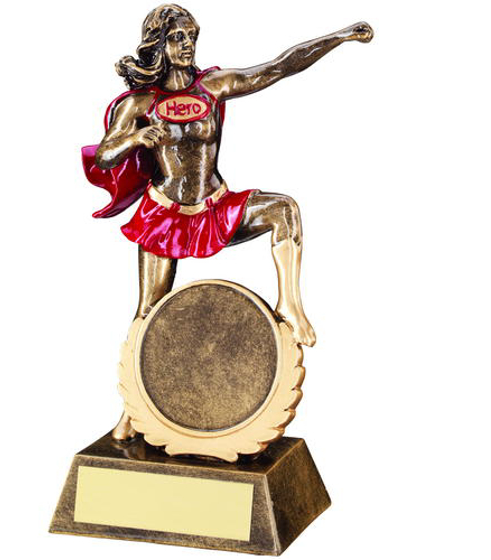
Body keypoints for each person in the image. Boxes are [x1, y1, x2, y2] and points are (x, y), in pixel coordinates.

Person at [90, 4, 373, 439]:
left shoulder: (213, 86)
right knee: (148, 312)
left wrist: (339, 36)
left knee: (283, 209)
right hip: (164, 214)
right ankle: (131, 411)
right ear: (158, 44)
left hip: (214, 205)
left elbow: (278, 67)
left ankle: (290, 305)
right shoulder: (140, 103)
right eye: (177, 37)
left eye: (192, 36)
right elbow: (104, 154)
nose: (187, 45)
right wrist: (135, 137)